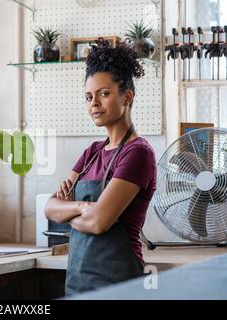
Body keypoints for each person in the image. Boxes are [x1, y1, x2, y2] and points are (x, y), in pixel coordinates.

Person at [45, 38, 157, 295]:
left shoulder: (137, 153)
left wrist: (71, 212)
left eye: (104, 94)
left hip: (118, 287)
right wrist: (84, 207)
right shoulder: (92, 153)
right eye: (88, 96)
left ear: (127, 96)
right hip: (78, 283)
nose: (94, 103)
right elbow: (50, 208)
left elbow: (99, 223)